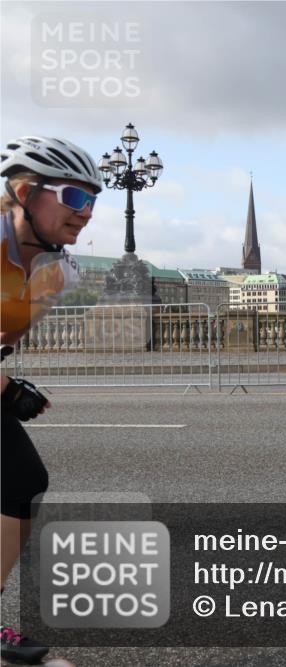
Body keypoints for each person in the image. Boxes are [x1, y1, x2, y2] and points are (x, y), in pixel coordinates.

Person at [1, 136, 102, 664]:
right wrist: (10, 391)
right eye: (74, 197)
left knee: (22, 480)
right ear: (23, 191)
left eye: (93, 201)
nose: (85, 213)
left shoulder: (58, 273)